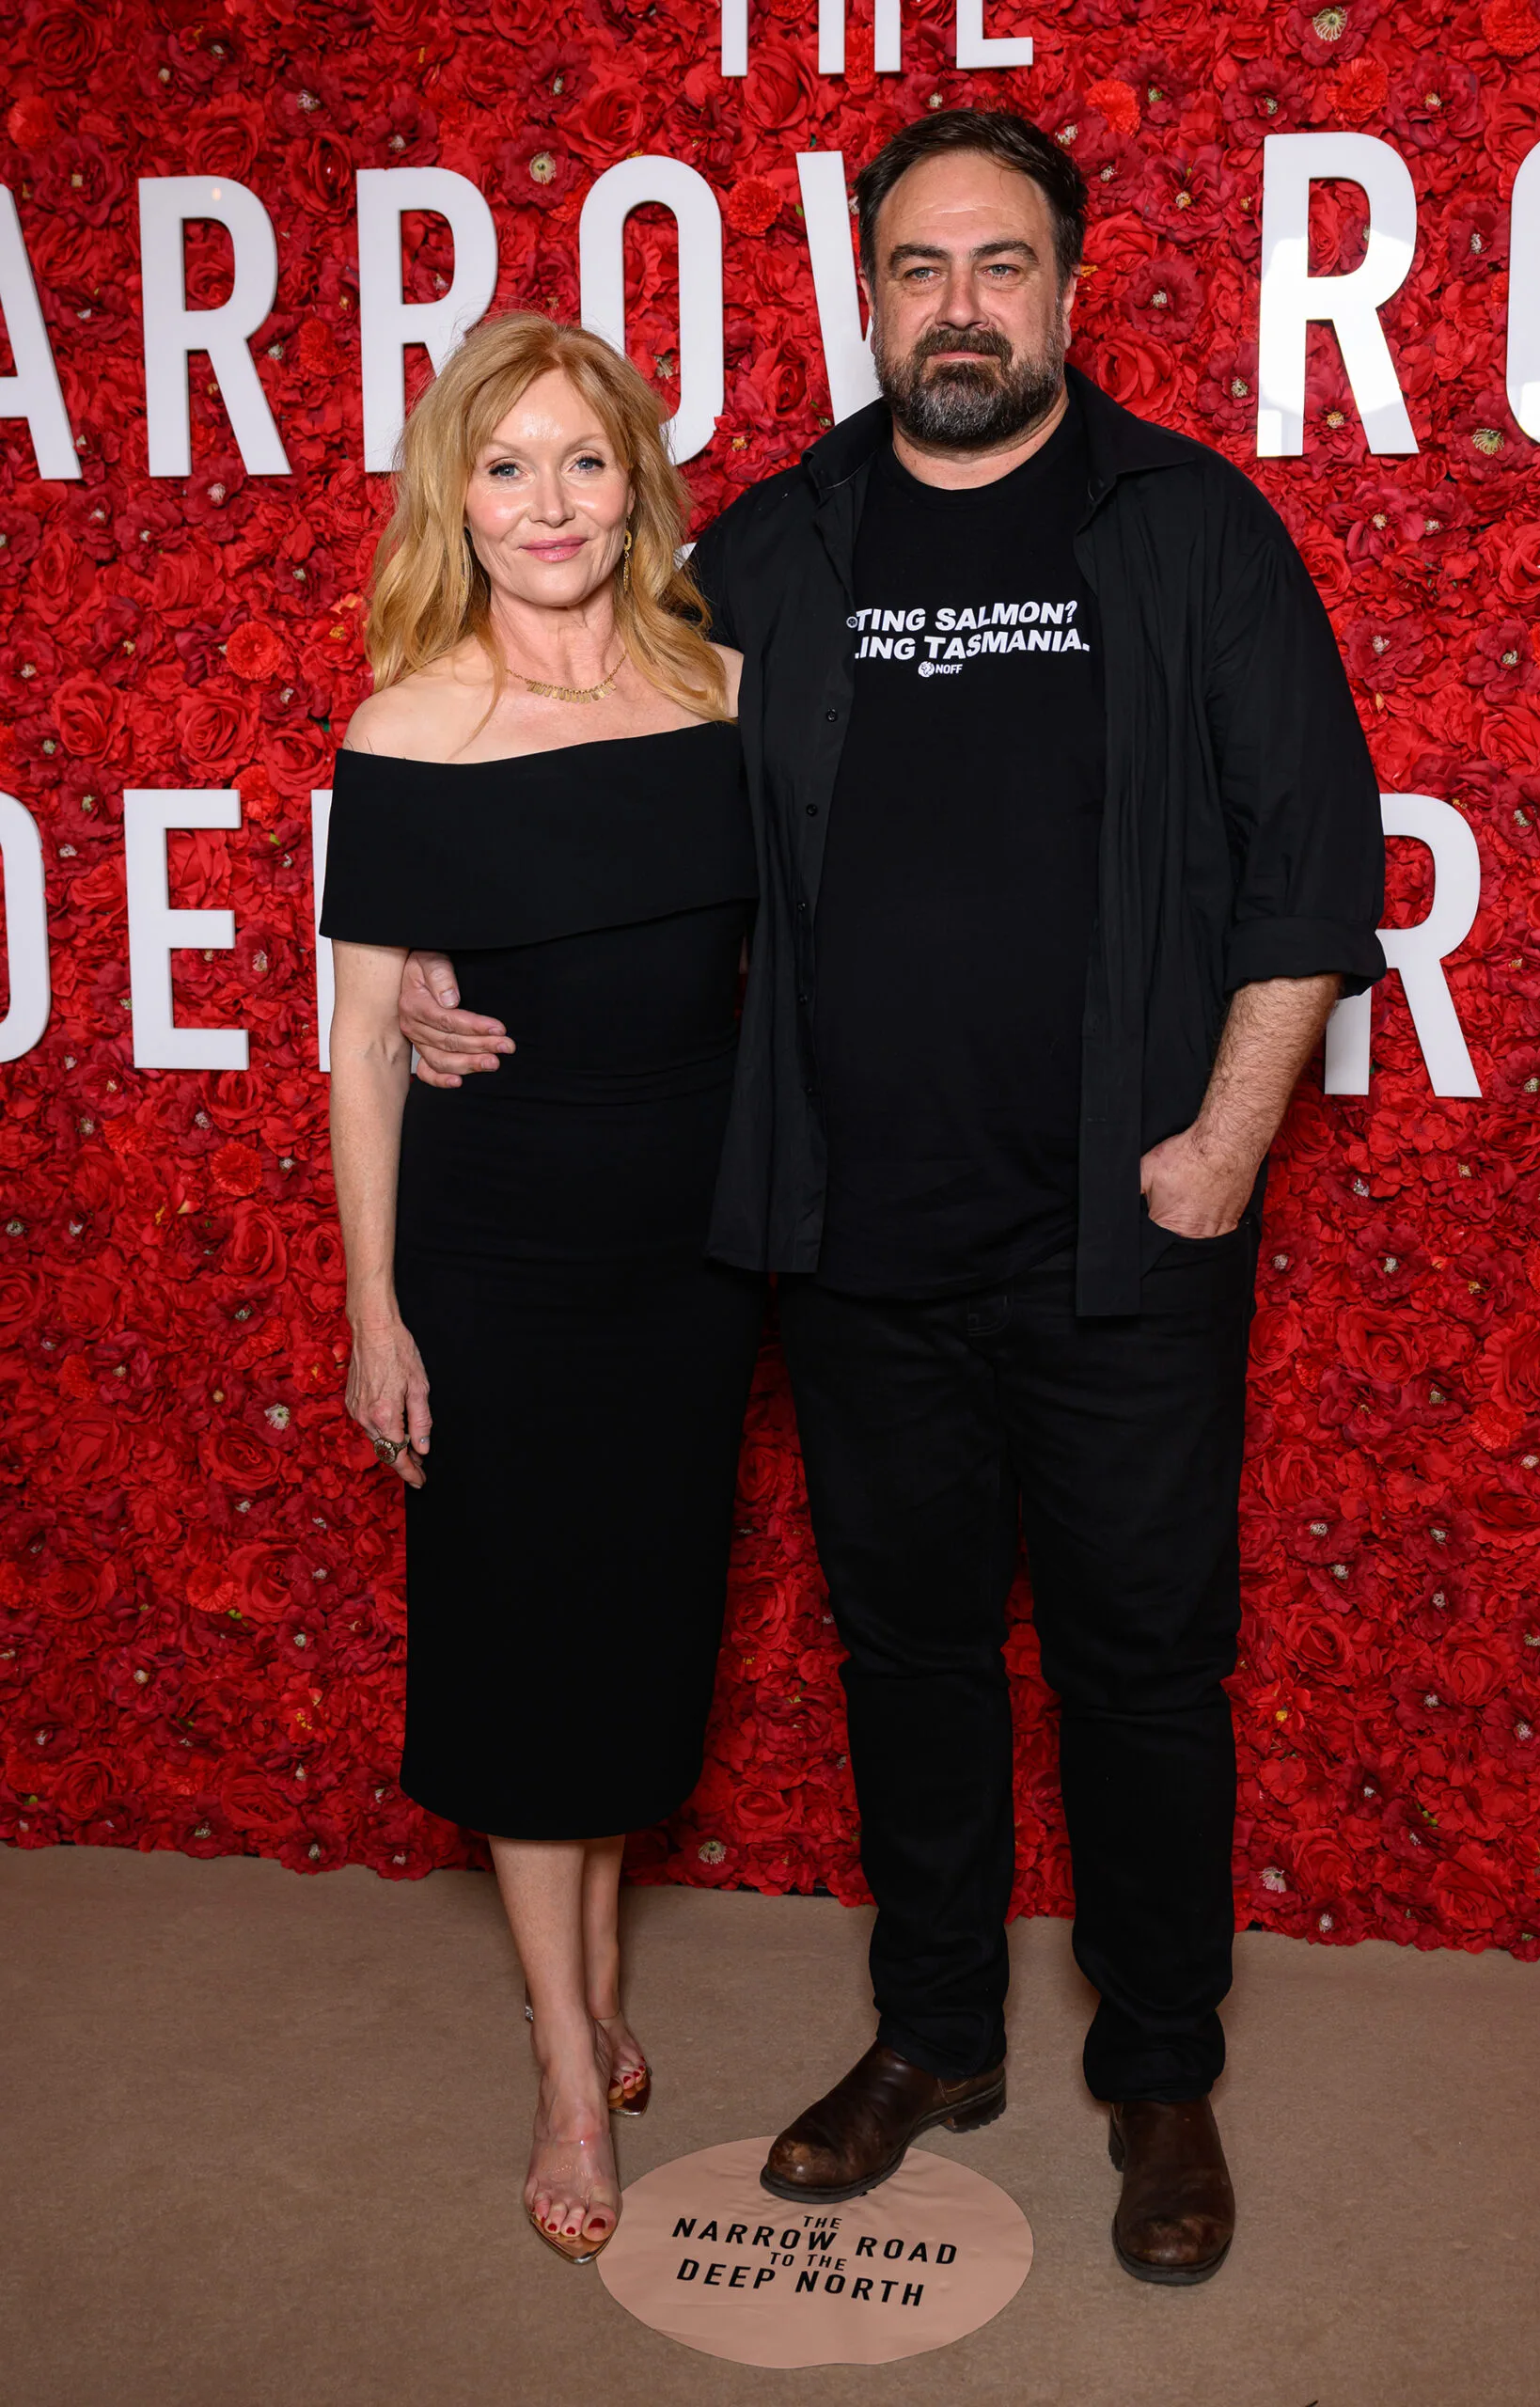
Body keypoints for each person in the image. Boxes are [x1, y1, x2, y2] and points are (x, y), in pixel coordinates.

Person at [397, 112, 1386, 2286]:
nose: (960, 303)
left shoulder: (1193, 531)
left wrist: (1224, 1143)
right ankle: (936, 2031)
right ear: (868, 294)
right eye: (920, 267)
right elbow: (590, 748)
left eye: (1001, 265)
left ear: (1064, 288)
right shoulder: (772, 548)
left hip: (1132, 1231)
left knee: (1142, 1667)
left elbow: (1310, 866)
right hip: (848, 1239)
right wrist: (451, 949)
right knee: (908, 1654)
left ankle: (1157, 2066)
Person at [321, 313, 762, 2267]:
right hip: (494, 1258)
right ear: (456, 495)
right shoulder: (408, 724)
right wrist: (373, 1313)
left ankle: (580, 1985)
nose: (550, 502)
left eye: (585, 460)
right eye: (507, 466)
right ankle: (569, 2058)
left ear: (636, 482)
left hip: (689, 1258)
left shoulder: (726, 686)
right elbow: (353, 1049)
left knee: (633, 1633)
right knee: (517, 1641)